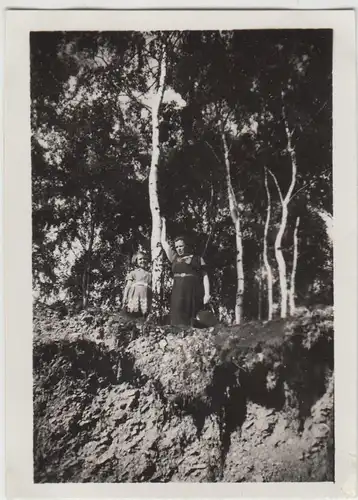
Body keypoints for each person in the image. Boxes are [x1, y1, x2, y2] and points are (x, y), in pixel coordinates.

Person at [161, 217, 210, 327]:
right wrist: (163, 224)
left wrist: (207, 294)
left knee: (192, 317)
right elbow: (163, 242)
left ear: (186, 245)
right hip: (178, 290)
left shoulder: (197, 259)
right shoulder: (174, 258)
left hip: (193, 291)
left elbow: (205, 276)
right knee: (177, 315)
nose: (179, 249)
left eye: (181, 246)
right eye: (177, 247)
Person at [122, 252, 152, 316]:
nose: (143, 260)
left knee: (144, 314)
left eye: (144, 259)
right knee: (134, 313)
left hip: (145, 296)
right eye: (140, 259)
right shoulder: (133, 273)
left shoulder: (149, 274)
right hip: (135, 296)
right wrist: (125, 297)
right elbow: (128, 286)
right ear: (136, 261)